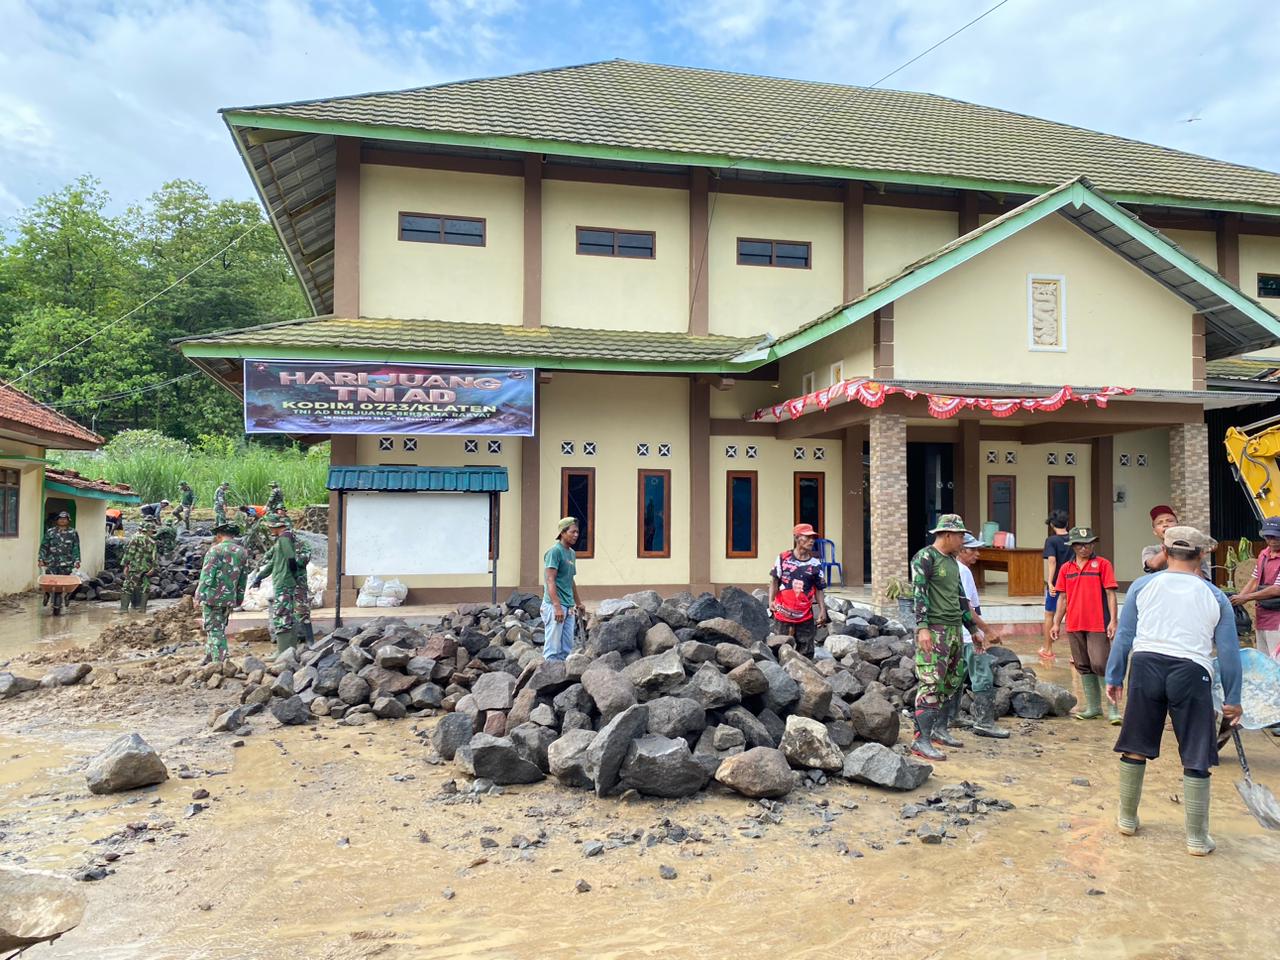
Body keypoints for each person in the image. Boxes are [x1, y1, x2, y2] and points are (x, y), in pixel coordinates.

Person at [1106, 525, 1242, 856]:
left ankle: (1126, 818)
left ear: (1164, 552)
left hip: (1146, 667)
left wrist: (1114, 675)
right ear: (1201, 556)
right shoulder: (1215, 596)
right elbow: (1228, 653)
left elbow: (1124, 636)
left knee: (1135, 742)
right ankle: (1196, 838)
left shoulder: (1142, 586)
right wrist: (1233, 701)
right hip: (1192, 671)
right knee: (1196, 750)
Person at [910, 514, 979, 761]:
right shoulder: (925, 557)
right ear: (948, 535)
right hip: (935, 630)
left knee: (952, 681)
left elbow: (961, 598)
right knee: (930, 682)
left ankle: (940, 730)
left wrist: (972, 630)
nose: (963, 541)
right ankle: (921, 740)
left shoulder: (951, 561)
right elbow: (919, 594)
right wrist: (923, 628)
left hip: (953, 630)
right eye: (961, 536)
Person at [1050, 527, 1120, 722]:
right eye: (1080, 544)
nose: (1084, 547)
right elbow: (1062, 598)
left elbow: (1110, 594)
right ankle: (1093, 707)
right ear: (1072, 546)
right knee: (1083, 664)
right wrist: (1056, 623)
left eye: (1088, 543)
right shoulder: (1066, 568)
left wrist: (1113, 621)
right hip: (1074, 623)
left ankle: (1113, 708)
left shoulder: (1103, 564)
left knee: (1101, 663)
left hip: (1098, 623)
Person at [954, 533, 1009, 739]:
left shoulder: (950, 568)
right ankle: (985, 722)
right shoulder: (963, 571)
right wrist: (986, 630)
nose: (978, 553)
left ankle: (952, 717)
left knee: (957, 676)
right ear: (962, 550)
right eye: (973, 549)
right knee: (982, 675)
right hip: (968, 635)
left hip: (954, 634)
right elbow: (966, 606)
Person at [249, 516, 312, 652]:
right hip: (283, 581)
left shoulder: (284, 538)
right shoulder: (283, 540)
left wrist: (294, 575)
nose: (269, 529)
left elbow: (290, 559)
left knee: (281, 614)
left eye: (271, 526)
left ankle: (283, 652)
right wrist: (259, 577)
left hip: (284, 581)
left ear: (277, 526)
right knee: (287, 614)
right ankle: (288, 650)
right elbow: (273, 563)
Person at [767, 522, 830, 658]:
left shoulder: (815, 564)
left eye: (813, 537)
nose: (811, 540)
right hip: (782, 614)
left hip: (804, 617)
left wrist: (822, 610)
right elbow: (774, 580)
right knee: (779, 650)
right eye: (807, 537)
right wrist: (771, 600)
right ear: (797, 538)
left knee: (806, 653)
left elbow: (819, 589)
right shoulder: (783, 558)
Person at [197, 522, 249, 664]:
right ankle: (210, 655)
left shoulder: (215, 551)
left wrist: (199, 595)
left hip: (212, 597)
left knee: (214, 629)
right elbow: (243, 578)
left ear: (219, 536)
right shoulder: (242, 552)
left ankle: (220, 660)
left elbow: (207, 575)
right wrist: (239, 598)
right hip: (229, 597)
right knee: (218, 627)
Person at [1229, 516, 1280, 660]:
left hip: (1277, 618)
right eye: (1268, 536)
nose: (1271, 540)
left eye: (1276, 536)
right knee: (1263, 659)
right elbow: (1254, 579)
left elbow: (1277, 588)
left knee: (1276, 661)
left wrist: (1246, 597)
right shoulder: (1264, 554)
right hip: (1263, 614)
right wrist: (1239, 599)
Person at [542, 517, 585, 662]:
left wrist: (578, 603)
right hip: (555, 605)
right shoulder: (554, 552)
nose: (576, 535)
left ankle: (562, 680)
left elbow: (570, 580)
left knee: (567, 647)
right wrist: (557, 607)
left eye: (577, 532)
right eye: (572, 532)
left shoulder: (571, 553)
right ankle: (548, 678)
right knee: (553, 649)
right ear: (562, 532)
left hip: (569, 605)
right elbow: (550, 580)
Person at [1142, 505, 1210, 578]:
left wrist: (1195, 554)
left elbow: (1201, 581)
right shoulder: (1150, 550)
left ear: (1178, 526)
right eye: (1159, 523)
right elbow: (1154, 564)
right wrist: (1174, 545)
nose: (1165, 524)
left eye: (1170, 521)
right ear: (1155, 531)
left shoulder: (1194, 549)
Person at [1041, 509, 1072, 663]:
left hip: (1058, 584)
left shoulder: (1051, 541)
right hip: (1073, 582)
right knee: (1072, 615)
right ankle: (1076, 654)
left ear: (1052, 525)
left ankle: (1048, 650)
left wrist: (1050, 581)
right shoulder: (1074, 539)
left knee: (1049, 615)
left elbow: (1052, 561)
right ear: (1066, 523)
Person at [38, 510, 80, 616]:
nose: (62, 521)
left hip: (67, 563)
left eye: (64, 519)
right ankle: (47, 593)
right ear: (57, 520)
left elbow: (76, 548)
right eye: (60, 519)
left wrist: (77, 560)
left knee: (65, 583)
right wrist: (41, 558)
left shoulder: (73, 533)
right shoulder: (50, 532)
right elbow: (44, 546)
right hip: (52, 562)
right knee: (50, 582)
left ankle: (66, 596)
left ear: (68, 521)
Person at [120, 520, 158, 613]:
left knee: (127, 586)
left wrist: (125, 565)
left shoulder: (135, 539)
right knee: (145, 586)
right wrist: (153, 568)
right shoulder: (153, 542)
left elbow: (130, 553)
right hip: (146, 568)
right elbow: (154, 557)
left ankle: (124, 610)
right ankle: (142, 609)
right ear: (149, 531)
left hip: (135, 567)